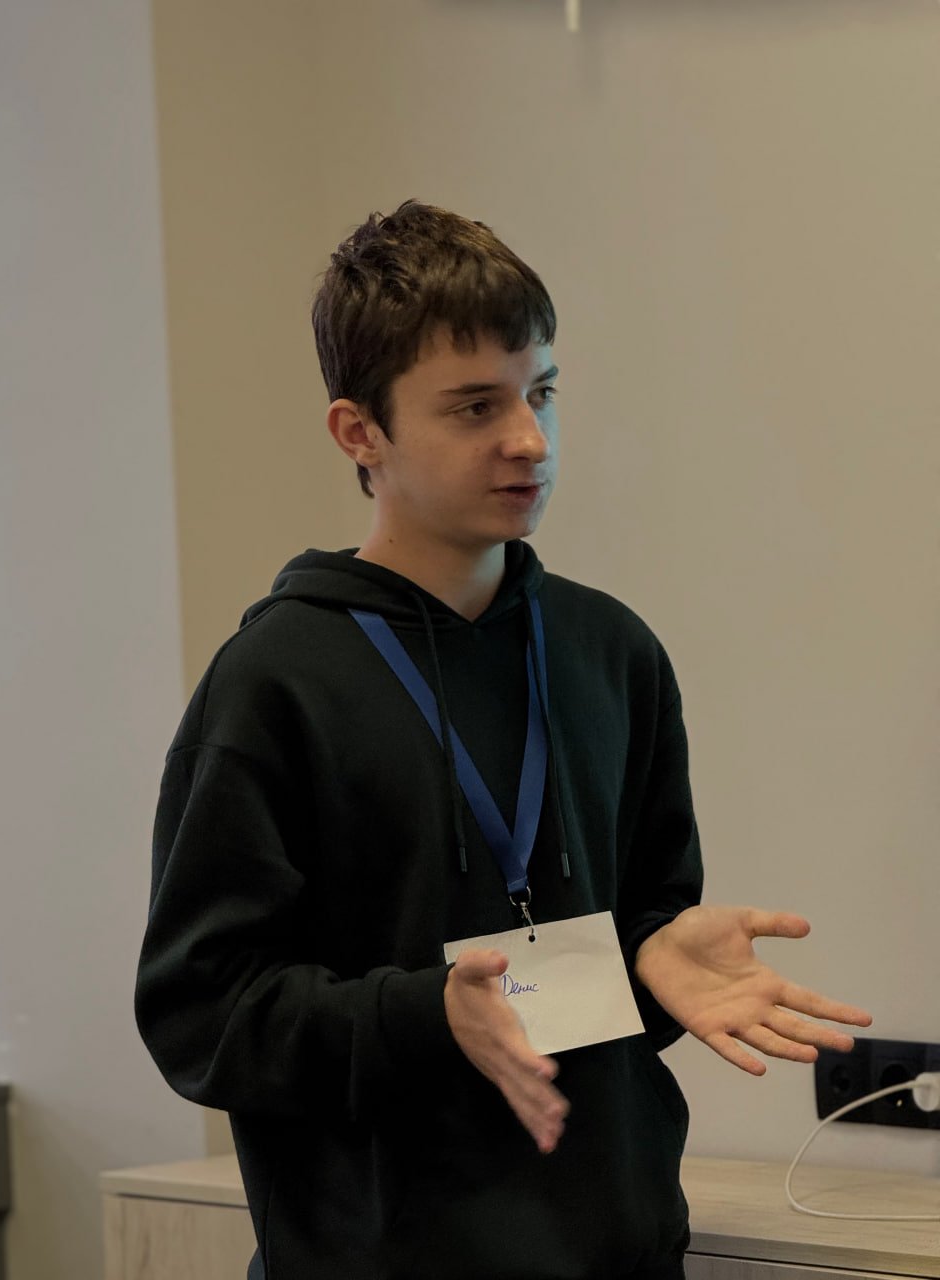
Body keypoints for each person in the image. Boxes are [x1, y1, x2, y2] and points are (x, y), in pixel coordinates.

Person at [136, 200, 871, 1280]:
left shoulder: (612, 652)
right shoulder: (273, 682)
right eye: (475, 405)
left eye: (543, 392)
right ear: (360, 433)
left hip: (619, 1254)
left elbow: (617, 950)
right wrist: (424, 1015)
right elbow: (202, 1015)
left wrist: (649, 960)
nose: (529, 437)